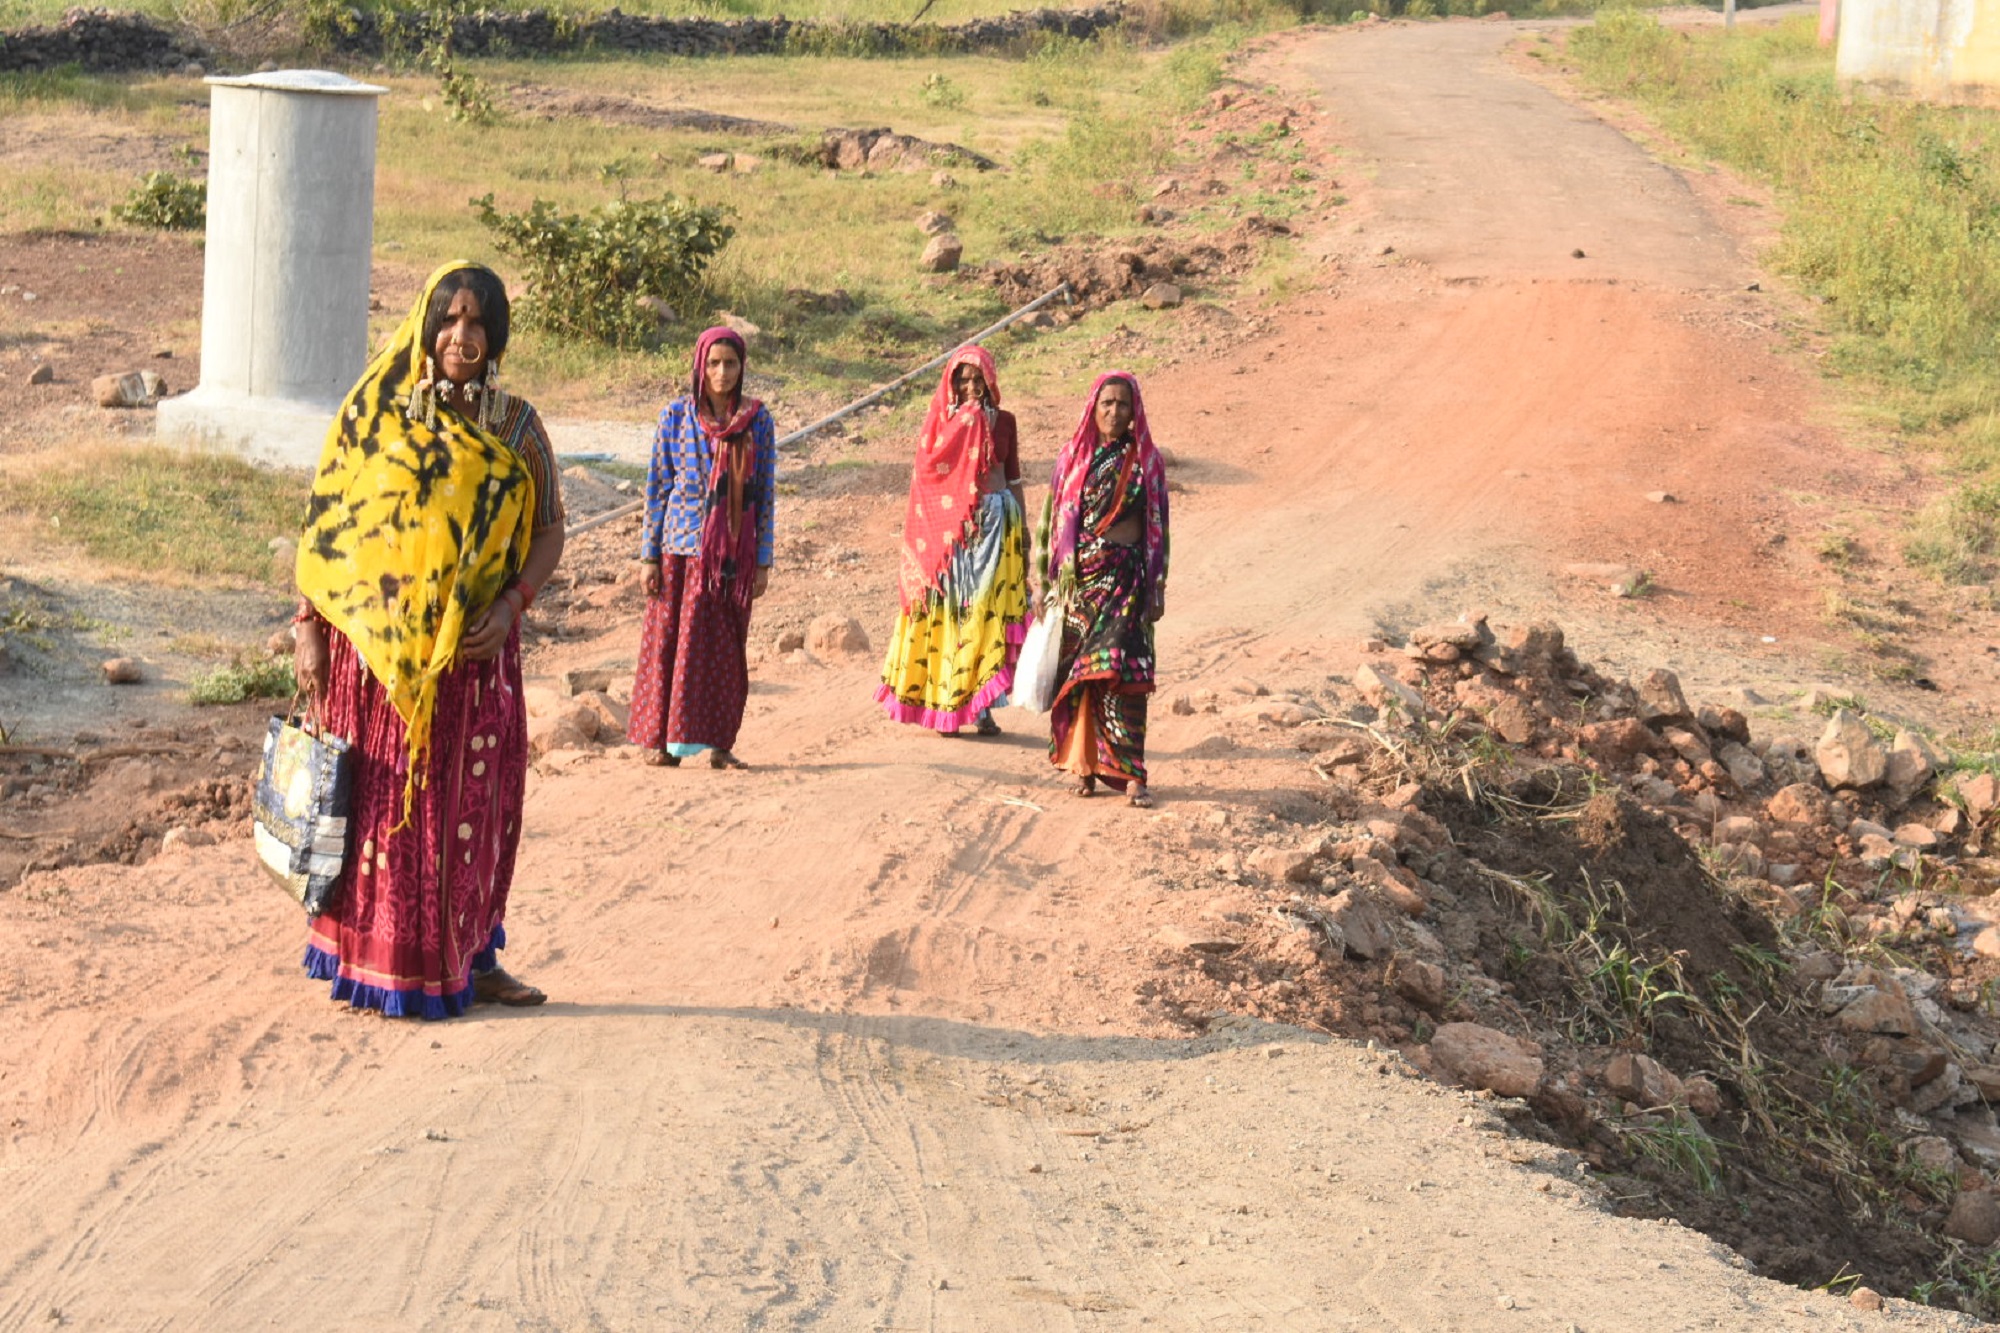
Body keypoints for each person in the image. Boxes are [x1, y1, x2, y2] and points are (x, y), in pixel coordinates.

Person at [292, 261, 565, 1017]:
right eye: (448, 318)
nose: (460, 335)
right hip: (376, 663)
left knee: (470, 814)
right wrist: (307, 627)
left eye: (476, 323)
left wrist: (513, 605)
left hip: (473, 660)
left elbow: (550, 531)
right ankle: (367, 960)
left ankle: (473, 959)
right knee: (380, 810)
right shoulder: (380, 417)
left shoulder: (516, 427)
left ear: (496, 335)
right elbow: (330, 529)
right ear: (424, 324)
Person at [627, 326, 776, 769]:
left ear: (742, 367)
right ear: (700, 366)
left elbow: (765, 492)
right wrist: (648, 555)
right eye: (714, 363)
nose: (722, 372)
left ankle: (719, 745)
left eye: (731, 363)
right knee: (669, 644)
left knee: (723, 650)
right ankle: (662, 743)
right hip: (678, 547)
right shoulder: (675, 417)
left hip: (733, 556)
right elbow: (657, 488)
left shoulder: (757, 420)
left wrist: (763, 561)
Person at [876, 345, 1029, 736]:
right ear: (952, 383)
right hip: (955, 539)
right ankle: (948, 705)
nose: (971, 386)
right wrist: (964, 423)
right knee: (956, 615)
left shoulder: (1006, 422)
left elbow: (1012, 478)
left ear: (991, 381)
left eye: (978, 379)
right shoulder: (939, 428)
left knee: (986, 617)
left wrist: (1024, 530)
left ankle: (981, 710)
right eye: (963, 379)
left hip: (997, 529)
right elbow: (927, 478)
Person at [1037, 372, 1169, 808]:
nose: (1115, 412)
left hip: (1128, 583)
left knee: (1123, 675)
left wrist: (1158, 587)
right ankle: (1085, 766)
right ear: (1093, 408)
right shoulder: (1072, 458)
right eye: (1107, 403)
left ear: (1135, 412)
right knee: (1082, 679)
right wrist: (1043, 583)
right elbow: (1049, 525)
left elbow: (1159, 529)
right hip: (1081, 587)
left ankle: (1133, 776)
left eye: (1123, 405)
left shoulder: (1146, 461)